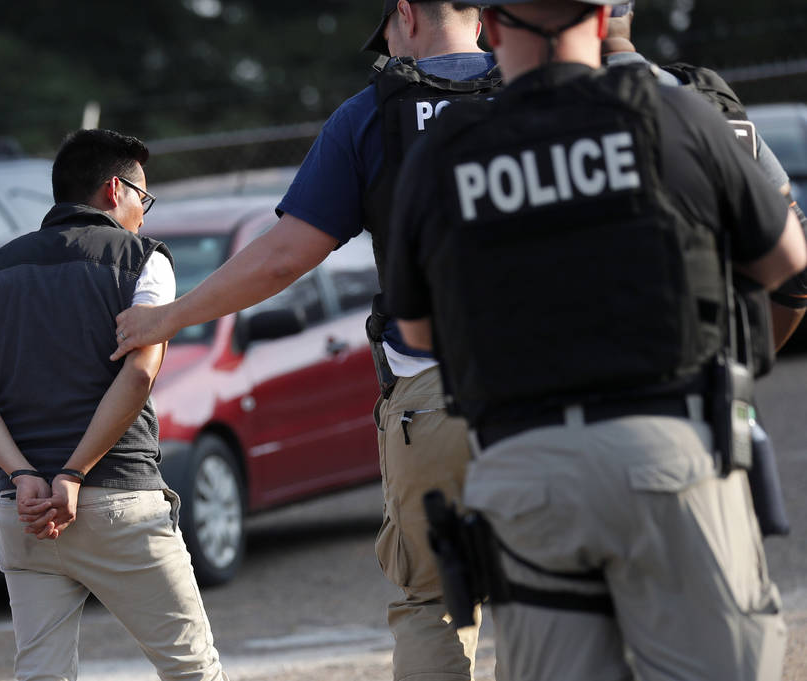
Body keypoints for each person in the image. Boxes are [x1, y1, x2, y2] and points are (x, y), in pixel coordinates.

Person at [385, 1, 806, 680]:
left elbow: (417, 329)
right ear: (605, 16)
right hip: (669, 452)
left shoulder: (447, 150)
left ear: (490, 25)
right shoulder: (675, 113)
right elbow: (787, 260)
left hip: (525, 470)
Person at [111, 3, 495, 679]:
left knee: (435, 600)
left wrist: (170, 318)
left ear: (404, 12)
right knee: (558, 592)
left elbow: (282, 257)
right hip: (555, 387)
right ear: (484, 15)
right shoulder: (547, 89)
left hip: (434, 400)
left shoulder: (373, 113)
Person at [0, 129, 227, 681]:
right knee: (190, 667)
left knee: (42, 673)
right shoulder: (144, 260)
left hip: (23, 511)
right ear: (112, 190)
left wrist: (23, 474)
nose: (144, 214)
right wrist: (73, 473)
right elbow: (140, 371)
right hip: (120, 495)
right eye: (142, 199)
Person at [603, 0, 807, 350]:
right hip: (707, 382)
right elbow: (796, 268)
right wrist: (742, 360)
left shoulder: (537, 124)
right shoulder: (709, 105)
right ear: (630, 17)